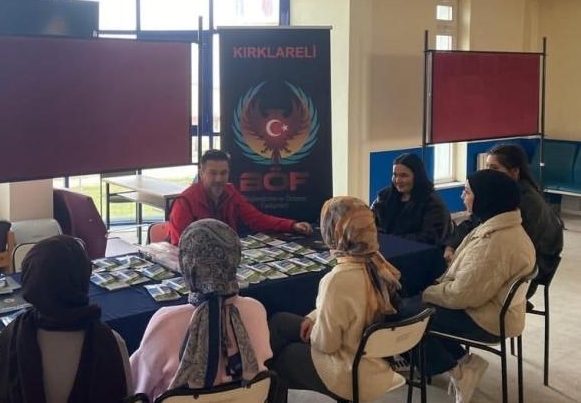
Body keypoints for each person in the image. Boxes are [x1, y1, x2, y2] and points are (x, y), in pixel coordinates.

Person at [269, 197, 403, 402]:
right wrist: (314, 318)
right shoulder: (378, 265)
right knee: (280, 321)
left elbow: (326, 344)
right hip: (376, 363)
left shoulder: (337, 280)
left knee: (282, 358)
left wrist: (315, 329)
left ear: (333, 231)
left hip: (350, 373)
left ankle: (257, 386)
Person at [418, 169, 535, 403]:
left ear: (486, 198)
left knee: (409, 317)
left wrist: (425, 293)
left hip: (487, 320)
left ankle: (458, 371)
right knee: (419, 310)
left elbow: (460, 295)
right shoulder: (504, 227)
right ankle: (463, 362)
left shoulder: (494, 242)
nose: (462, 196)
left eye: (467, 191)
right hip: (495, 311)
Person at [0, 235, 131, 403]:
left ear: (30, 283)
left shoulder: (11, 338)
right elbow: (128, 397)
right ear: (83, 279)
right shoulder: (110, 342)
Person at [130, 219, 272, 401]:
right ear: (235, 258)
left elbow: (137, 387)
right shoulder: (256, 310)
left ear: (187, 264)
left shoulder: (167, 321)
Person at [444, 144, 563, 296]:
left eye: (494, 168)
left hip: (529, 271)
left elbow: (514, 250)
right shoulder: (499, 194)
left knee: (462, 286)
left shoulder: (526, 203)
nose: (488, 172)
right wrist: (452, 245)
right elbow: (473, 222)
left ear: (514, 172)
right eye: (487, 167)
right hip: (511, 261)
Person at [168, 149, 313, 244]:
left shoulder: (230, 192)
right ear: (201, 174)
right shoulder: (184, 202)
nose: (219, 179)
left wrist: (292, 225)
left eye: (223, 173)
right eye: (213, 173)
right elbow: (179, 246)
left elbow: (257, 219)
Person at [371, 153, 450, 245]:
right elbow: (370, 222)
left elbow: (429, 238)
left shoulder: (433, 203)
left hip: (419, 250)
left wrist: (392, 241)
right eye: (395, 175)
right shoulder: (384, 196)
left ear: (417, 176)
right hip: (384, 247)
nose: (398, 180)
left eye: (404, 175)